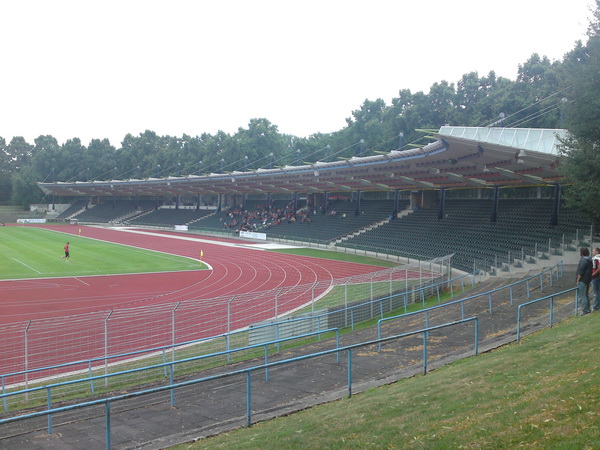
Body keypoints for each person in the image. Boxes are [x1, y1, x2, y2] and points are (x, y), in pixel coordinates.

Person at [576, 247, 593, 315]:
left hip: (583, 280)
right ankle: (588, 309)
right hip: (587, 279)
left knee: (582, 295)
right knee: (586, 295)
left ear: (582, 252)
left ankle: (585, 310)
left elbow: (581, 271)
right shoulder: (589, 259)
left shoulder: (583, 260)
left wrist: (578, 279)